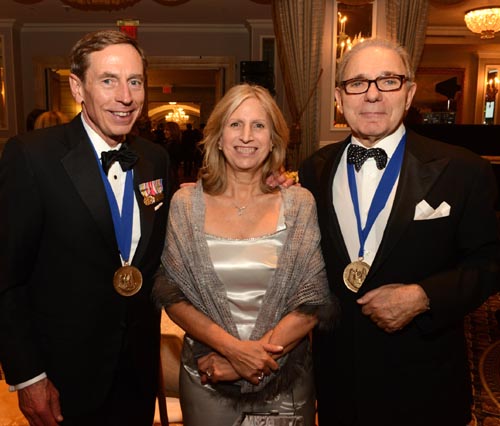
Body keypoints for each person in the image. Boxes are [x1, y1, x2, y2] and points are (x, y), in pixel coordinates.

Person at [299, 38, 500, 426]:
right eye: (357, 83)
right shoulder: (314, 169)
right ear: (340, 98)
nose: (372, 94)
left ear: (408, 94)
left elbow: (490, 260)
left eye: (387, 80)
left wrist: (425, 297)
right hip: (339, 377)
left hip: (424, 379)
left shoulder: (462, 169)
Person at [0, 30, 172, 425]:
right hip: (63, 375)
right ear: (78, 87)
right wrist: (29, 376)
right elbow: (7, 279)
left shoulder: (154, 159)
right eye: (108, 81)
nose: (125, 97)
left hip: (137, 368)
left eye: (135, 81)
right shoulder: (32, 156)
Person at [153, 83, 336, 426]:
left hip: (285, 380)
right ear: (218, 137)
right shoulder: (185, 206)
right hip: (208, 376)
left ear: (273, 141)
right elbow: (173, 295)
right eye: (235, 124)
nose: (246, 136)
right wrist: (232, 351)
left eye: (259, 125)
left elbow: (313, 301)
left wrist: (244, 361)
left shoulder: (298, 204)